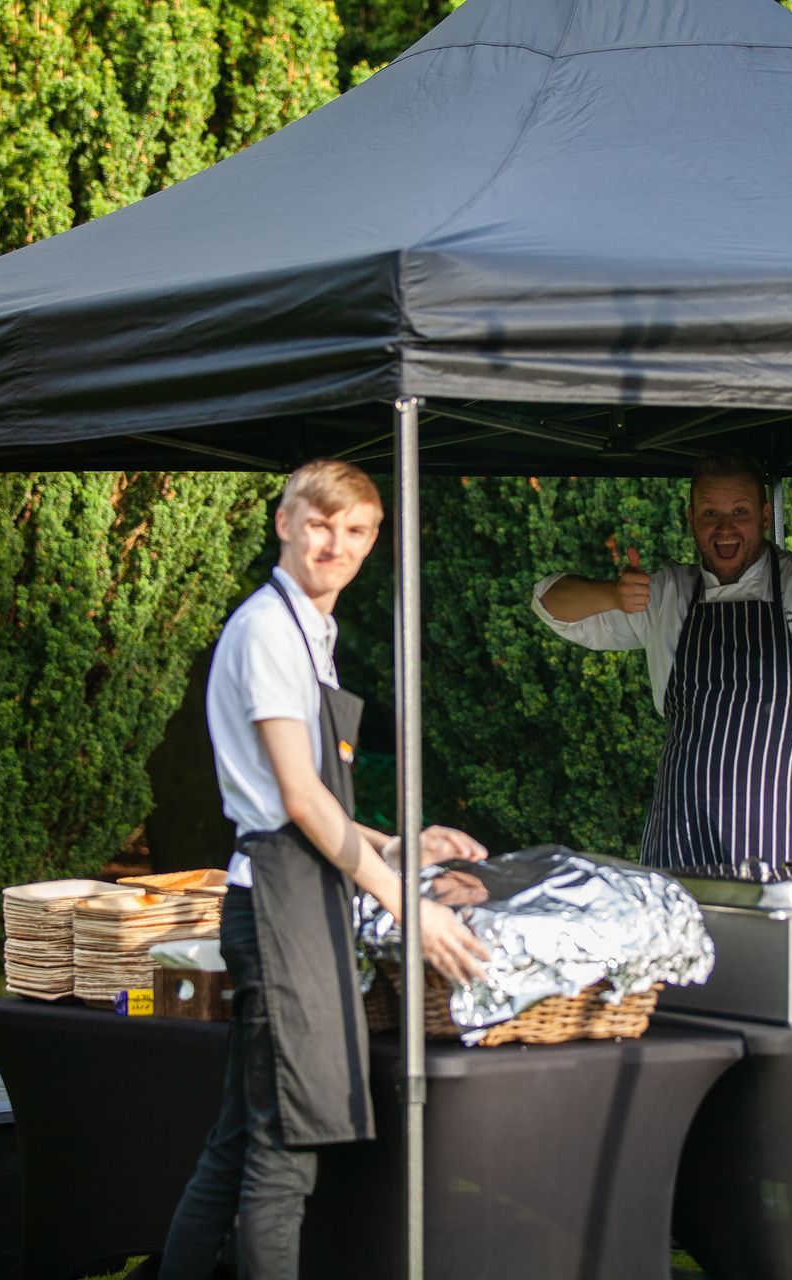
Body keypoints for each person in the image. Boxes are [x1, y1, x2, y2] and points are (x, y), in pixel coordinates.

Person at [159, 459, 492, 1280]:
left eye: (353, 531)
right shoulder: (270, 631)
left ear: (374, 541)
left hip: (296, 896)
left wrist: (401, 843)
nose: (333, 544)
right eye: (318, 524)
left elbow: (310, 802)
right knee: (284, 1158)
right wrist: (413, 911)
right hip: (277, 907)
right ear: (283, 522)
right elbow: (301, 806)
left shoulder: (311, 627)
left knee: (238, 1139)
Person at [532, 454, 792, 869]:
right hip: (687, 832)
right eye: (711, 513)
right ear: (691, 518)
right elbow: (550, 603)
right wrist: (611, 596)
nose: (725, 528)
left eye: (740, 512)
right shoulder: (667, 593)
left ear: (765, 516)